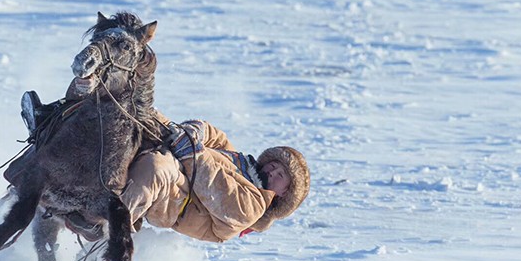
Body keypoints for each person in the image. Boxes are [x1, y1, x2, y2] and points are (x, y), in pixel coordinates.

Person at [21, 82, 310, 243]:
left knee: (157, 169)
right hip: (181, 158)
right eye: (275, 163)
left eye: (281, 174)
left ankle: (104, 222)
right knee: (133, 105)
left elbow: (215, 187)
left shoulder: (252, 207)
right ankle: (52, 120)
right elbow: (214, 135)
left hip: (176, 199)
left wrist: (192, 152)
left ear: (283, 194)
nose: (273, 169)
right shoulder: (239, 161)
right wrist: (196, 131)